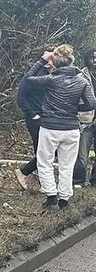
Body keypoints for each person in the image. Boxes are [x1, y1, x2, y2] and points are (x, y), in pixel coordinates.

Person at [23, 44, 96, 212]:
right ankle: (64, 199)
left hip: (50, 126)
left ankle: (51, 197)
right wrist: (75, 109)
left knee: (45, 162)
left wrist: (42, 60)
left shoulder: (51, 79)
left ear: (55, 62)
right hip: (71, 128)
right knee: (67, 164)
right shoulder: (82, 81)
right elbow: (92, 103)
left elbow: (28, 79)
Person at [14, 48, 53, 190]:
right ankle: (29, 175)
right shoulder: (34, 75)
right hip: (35, 117)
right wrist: (32, 114)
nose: (49, 62)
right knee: (42, 150)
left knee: (47, 151)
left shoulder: (55, 74)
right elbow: (21, 97)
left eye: (52, 59)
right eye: (47, 59)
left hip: (49, 117)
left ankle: (28, 174)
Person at [73, 47, 96, 186]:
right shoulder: (80, 76)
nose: (95, 60)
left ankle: (94, 180)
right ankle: (78, 179)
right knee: (82, 153)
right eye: (92, 58)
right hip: (85, 120)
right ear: (87, 60)